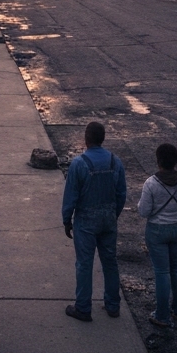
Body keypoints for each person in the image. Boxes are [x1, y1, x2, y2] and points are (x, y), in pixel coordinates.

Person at [61, 121, 127, 320]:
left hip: (86, 221)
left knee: (84, 264)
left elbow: (70, 196)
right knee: (110, 262)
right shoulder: (116, 162)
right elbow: (121, 194)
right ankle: (113, 306)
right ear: (103, 139)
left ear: (86, 139)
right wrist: (113, 215)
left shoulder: (79, 164)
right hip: (108, 218)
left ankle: (83, 308)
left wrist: (67, 219)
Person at [138, 143, 177, 328]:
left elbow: (144, 211)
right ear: (176, 161)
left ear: (158, 160)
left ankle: (162, 315)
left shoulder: (151, 183)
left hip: (157, 231)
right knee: (176, 268)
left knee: (162, 272)